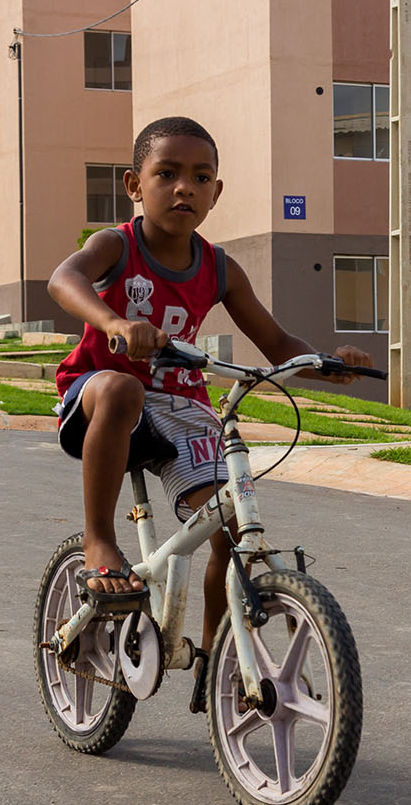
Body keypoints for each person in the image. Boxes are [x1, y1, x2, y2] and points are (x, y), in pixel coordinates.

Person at [48, 116, 372, 710]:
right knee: (122, 388)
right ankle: (98, 539)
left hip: (181, 405)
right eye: (166, 174)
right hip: (99, 394)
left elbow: (277, 345)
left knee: (227, 527)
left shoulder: (219, 267)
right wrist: (115, 323)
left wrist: (326, 362)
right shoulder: (117, 246)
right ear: (133, 184)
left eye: (200, 177)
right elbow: (63, 278)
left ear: (216, 192)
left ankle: (218, 665)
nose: (183, 189)